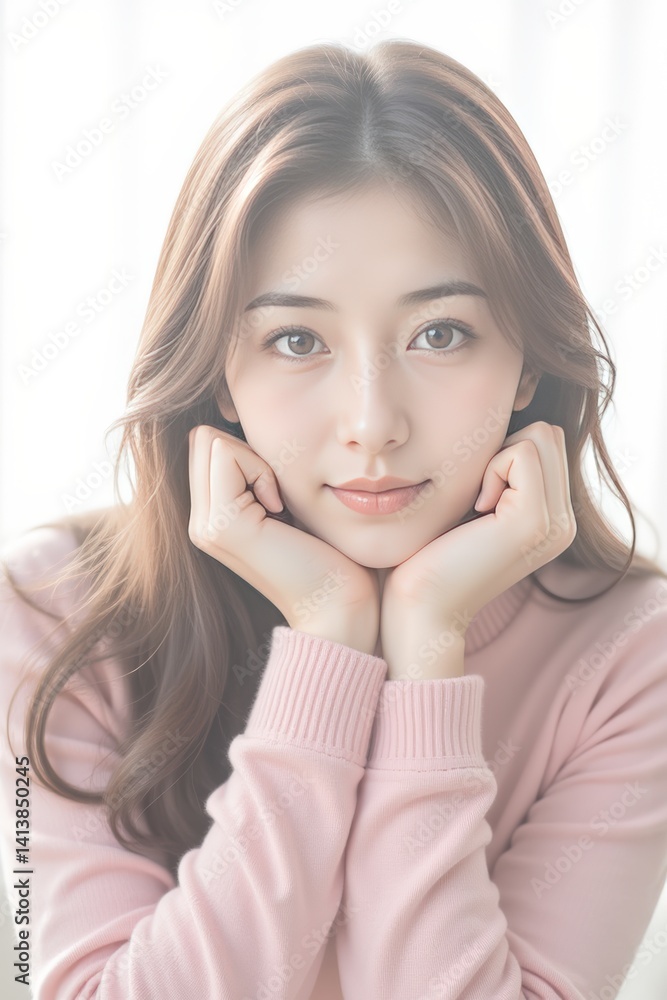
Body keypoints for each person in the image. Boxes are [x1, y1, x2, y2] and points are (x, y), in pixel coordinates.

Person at [1, 37, 666, 1000]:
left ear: (528, 361)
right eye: (295, 339)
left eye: (440, 333)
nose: (371, 424)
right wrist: (327, 640)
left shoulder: (631, 655)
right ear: (218, 374)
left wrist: (426, 645)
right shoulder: (50, 615)